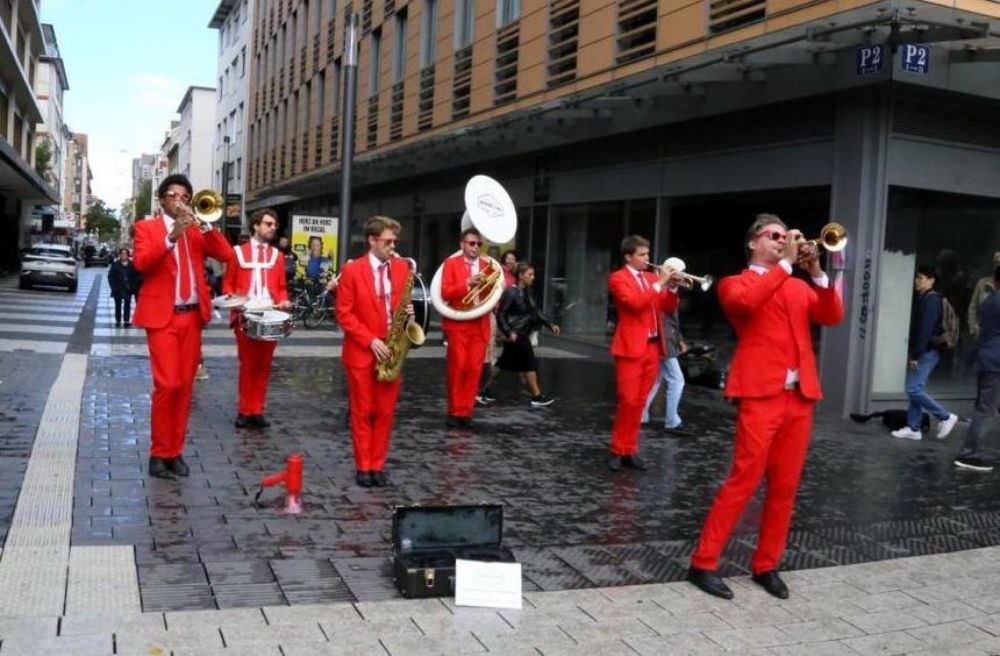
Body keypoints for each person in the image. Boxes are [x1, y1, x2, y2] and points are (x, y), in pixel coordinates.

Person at [687, 214, 843, 601]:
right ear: (752, 244)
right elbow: (749, 302)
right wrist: (788, 263)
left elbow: (831, 315)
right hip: (760, 395)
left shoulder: (795, 284)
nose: (782, 241)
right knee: (743, 478)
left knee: (785, 487)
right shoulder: (734, 283)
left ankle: (766, 564)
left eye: (785, 236)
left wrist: (818, 272)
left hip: (799, 397)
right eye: (774, 236)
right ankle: (703, 562)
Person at [132, 174, 233, 480]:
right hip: (162, 316)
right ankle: (158, 453)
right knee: (168, 384)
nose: (181, 200)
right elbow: (141, 263)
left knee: (185, 387)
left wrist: (204, 224)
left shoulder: (196, 231)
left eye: (185, 196)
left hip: (191, 317)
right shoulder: (146, 228)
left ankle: (175, 452)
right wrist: (171, 236)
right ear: (162, 199)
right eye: (174, 195)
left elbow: (226, 255)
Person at [335, 215, 413, 488]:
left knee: (385, 411)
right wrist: (369, 340)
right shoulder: (352, 270)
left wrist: (407, 313)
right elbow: (343, 314)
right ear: (371, 240)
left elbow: (401, 306)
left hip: (391, 349)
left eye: (394, 241)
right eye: (387, 241)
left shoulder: (402, 269)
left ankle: (378, 465)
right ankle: (363, 465)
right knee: (362, 410)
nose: (392, 246)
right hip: (362, 351)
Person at [606, 236, 680, 472]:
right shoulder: (618, 278)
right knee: (627, 400)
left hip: (651, 347)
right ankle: (618, 449)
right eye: (642, 255)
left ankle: (629, 449)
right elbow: (635, 303)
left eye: (648, 254)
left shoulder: (651, 278)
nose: (648, 259)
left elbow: (668, 306)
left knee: (639, 402)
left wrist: (673, 286)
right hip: (630, 347)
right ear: (628, 257)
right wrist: (660, 283)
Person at [223, 209, 291, 429]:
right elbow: (228, 286)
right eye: (269, 224)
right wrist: (237, 303)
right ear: (255, 226)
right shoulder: (237, 253)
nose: (273, 228)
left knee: (264, 365)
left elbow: (280, 288)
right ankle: (244, 410)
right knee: (247, 365)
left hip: (270, 316)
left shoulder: (277, 256)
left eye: (274, 225)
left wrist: (284, 301)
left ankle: (257, 409)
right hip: (245, 316)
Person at [890, 266, 959, 440]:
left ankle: (945, 416)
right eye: (917, 278)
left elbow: (925, 331)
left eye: (921, 278)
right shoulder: (924, 298)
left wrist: (915, 355)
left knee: (913, 389)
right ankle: (914, 428)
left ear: (931, 280)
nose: (917, 281)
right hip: (924, 350)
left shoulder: (932, 300)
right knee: (915, 388)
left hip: (928, 351)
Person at [440, 228, 493, 429]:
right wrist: (467, 283)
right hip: (458, 323)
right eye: (471, 243)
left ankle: (466, 412)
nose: (476, 248)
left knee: (473, 369)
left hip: (479, 324)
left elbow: (493, 293)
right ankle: (453, 411)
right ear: (462, 244)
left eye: (478, 244)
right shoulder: (450, 264)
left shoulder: (487, 266)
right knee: (457, 367)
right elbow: (445, 292)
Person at [496, 262, 561, 405]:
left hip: (520, 333)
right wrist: (508, 332)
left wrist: (550, 324)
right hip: (517, 334)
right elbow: (501, 314)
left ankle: (483, 390)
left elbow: (535, 311)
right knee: (529, 364)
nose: (533, 277)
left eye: (533, 274)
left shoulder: (526, 291)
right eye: (530, 274)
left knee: (503, 364)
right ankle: (536, 396)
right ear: (520, 275)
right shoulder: (511, 292)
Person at [956, 266, 1000, 472]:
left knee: (984, 406)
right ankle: (968, 454)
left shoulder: (990, 300)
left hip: (987, 358)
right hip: (995, 362)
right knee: (986, 410)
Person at [640, 308, 687, 433]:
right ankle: (672, 419)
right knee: (677, 380)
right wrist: (677, 340)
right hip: (664, 341)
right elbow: (667, 319)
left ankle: (641, 414)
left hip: (662, 339)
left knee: (656, 379)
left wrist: (679, 339)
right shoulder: (665, 291)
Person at [968, 251, 1000, 339]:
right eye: (996, 262)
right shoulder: (982, 283)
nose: (998, 265)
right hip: (983, 334)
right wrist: (974, 327)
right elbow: (973, 307)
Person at [108, 248, 138, 327]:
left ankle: (126, 321)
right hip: (117, 288)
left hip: (128, 288)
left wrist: (133, 286)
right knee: (118, 305)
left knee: (127, 304)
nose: (123, 255)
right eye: (122, 253)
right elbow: (110, 276)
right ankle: (118, 321)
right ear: (120, 255)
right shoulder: (115, 265)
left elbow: (136, 276)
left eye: (125, 253)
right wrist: (113, 287)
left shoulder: (132, 265)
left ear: (128, 255)